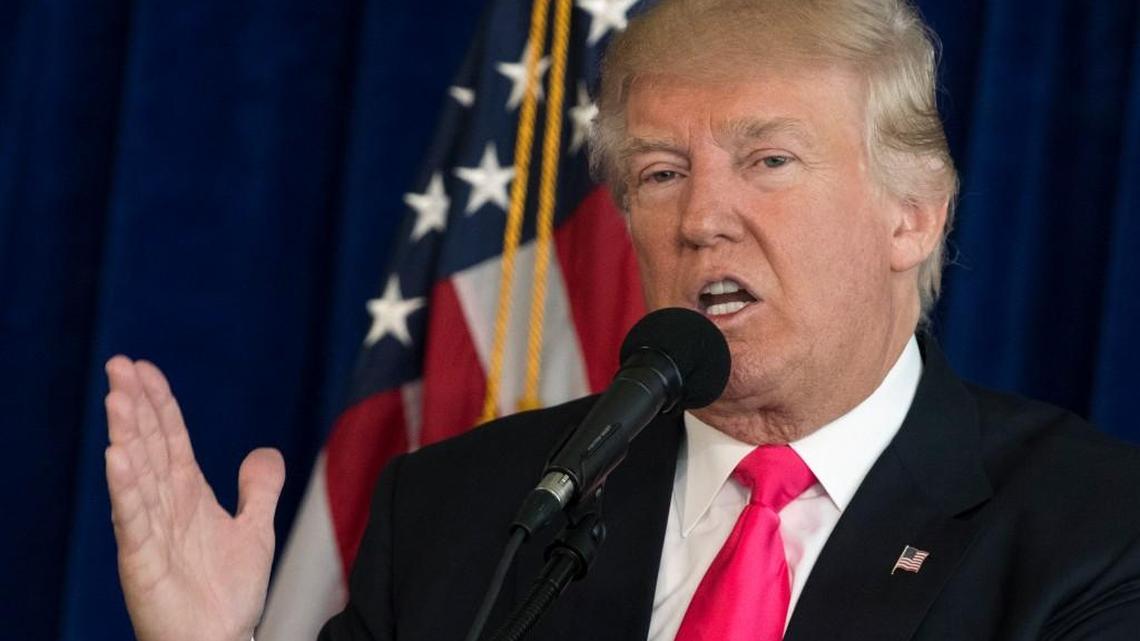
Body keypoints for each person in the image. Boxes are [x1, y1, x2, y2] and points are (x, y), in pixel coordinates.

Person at [104, 1, 1140, 640]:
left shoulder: (1089, 532)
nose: (702, 217)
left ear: (912, 214)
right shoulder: (466, 512)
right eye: (659, 172)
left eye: (768, 161)